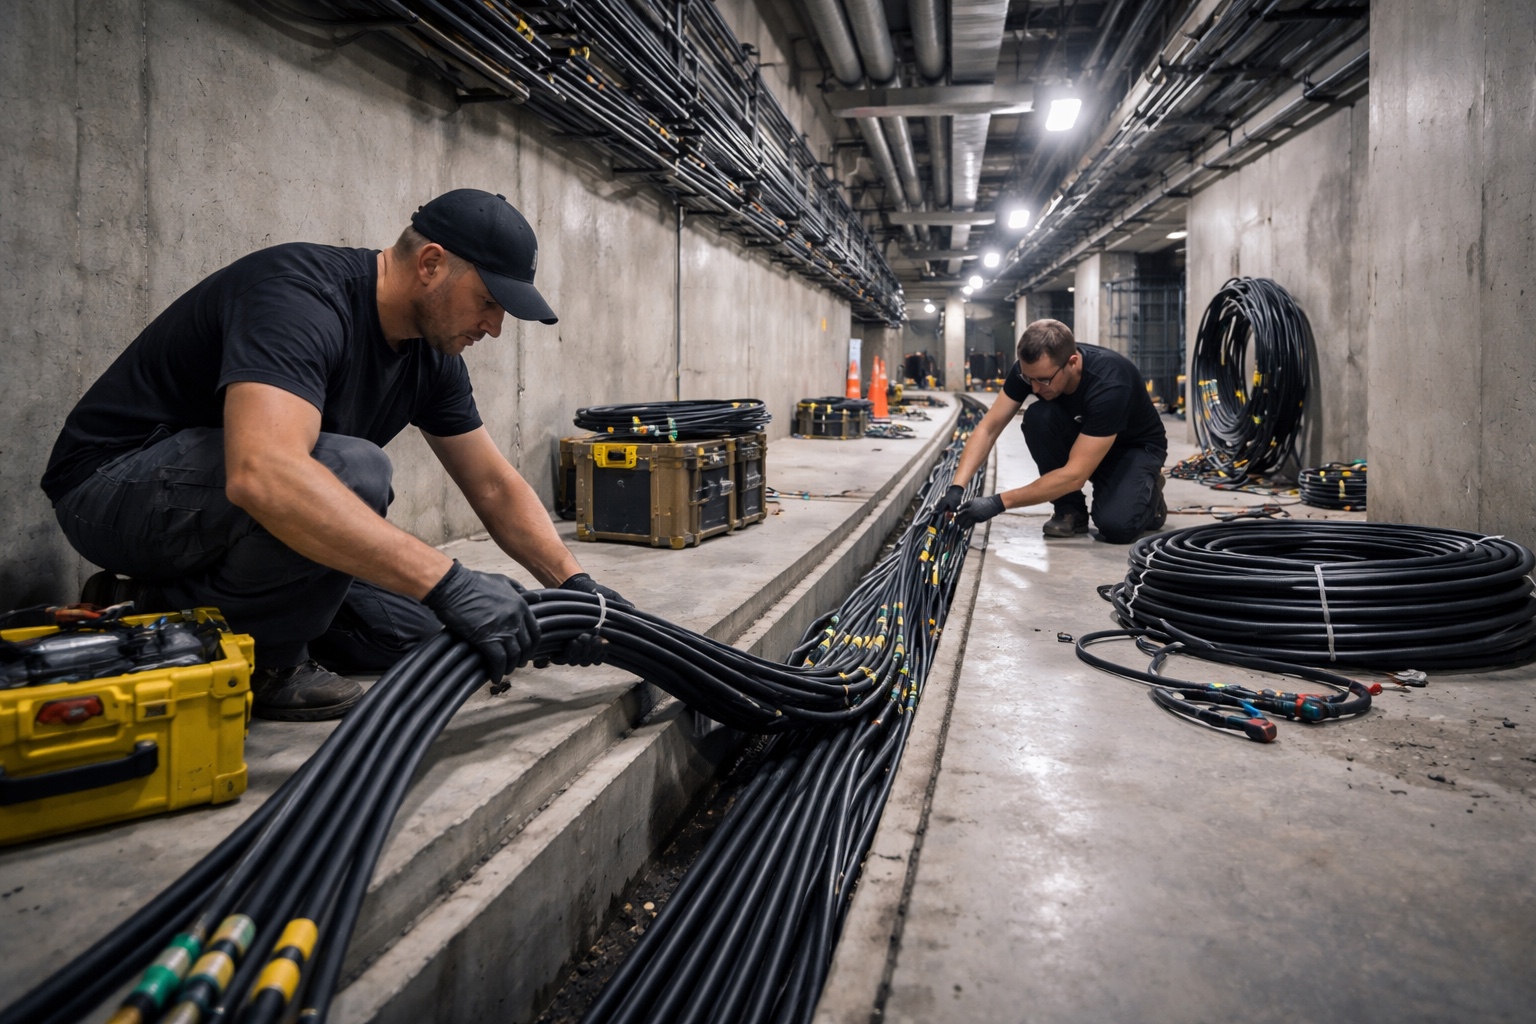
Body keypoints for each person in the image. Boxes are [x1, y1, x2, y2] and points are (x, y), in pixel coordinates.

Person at [41, 189, 629, 721]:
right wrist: (449, 582)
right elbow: (263, 473)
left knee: (427, 633)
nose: (494, 327)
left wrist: (574, 587)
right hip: (112, 487)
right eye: (488, 301)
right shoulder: (300, 296)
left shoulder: (433, 356)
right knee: (353, 470)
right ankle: (269, 663)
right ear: (431, 264)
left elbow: (493, 485)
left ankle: (149, 605)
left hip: (220, 517)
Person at [933, 318, 1168, 542]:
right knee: (1038, 416)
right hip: (1086, 438)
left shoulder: (1110, 384)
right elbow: (988, 428)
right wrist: (956, 487)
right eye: (1029, 379)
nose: (1035, 388)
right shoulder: (1032, 372)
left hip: (1133, 449)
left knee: (1116, 527)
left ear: (1072, 363)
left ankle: (1149, 492)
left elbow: (1075, 476)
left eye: (1044, 380)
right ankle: (1070, 510)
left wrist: (998, 503)